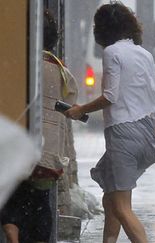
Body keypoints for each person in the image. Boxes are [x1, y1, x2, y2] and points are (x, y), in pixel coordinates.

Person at [64, 3, 155, 243]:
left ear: (103, 29)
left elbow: (110, 96)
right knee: (110, 198)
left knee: (122, 207)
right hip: (145, 133)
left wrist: (80, 110)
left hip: (123, 133)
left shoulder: (112, 53)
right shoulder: (144, 53)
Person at [0, 9, 78, 243]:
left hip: (19, 145)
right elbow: (71, 100)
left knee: (14, 195)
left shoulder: (19, 64)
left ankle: (12, 233)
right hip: (47, 153)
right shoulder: (60, 70)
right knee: (41, 200)